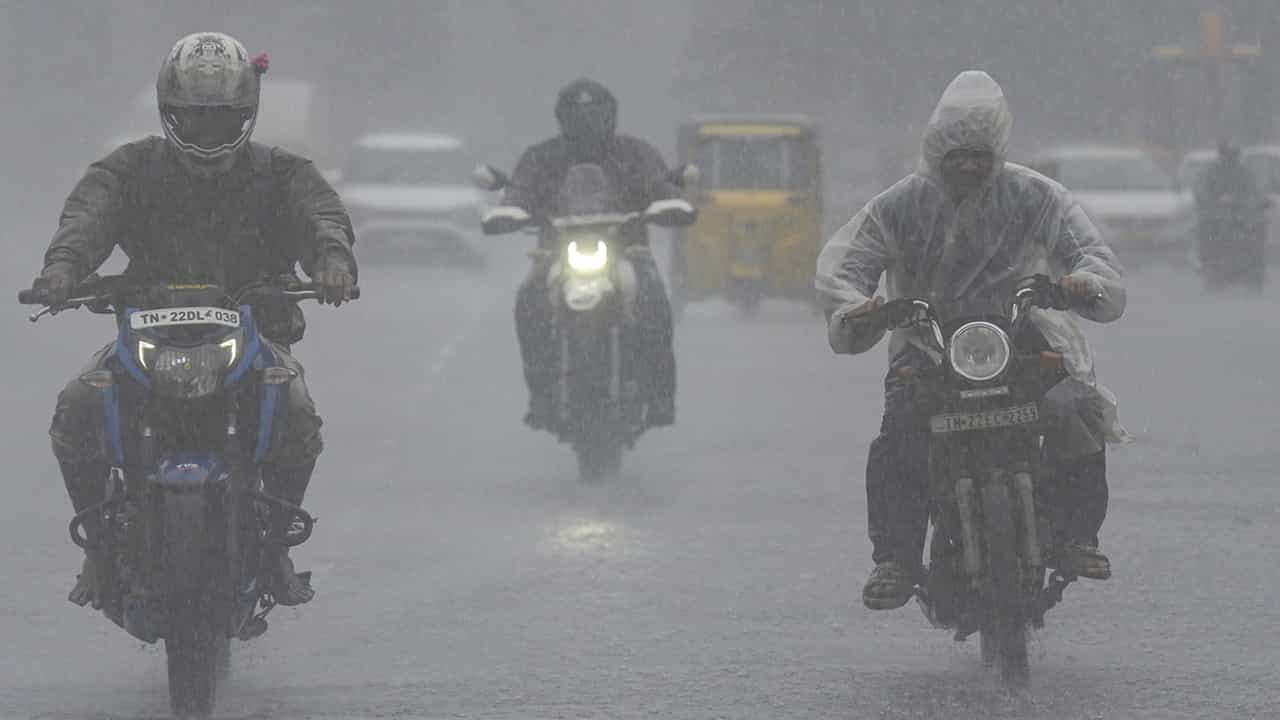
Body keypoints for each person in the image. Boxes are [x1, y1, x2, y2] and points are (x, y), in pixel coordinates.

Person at [31, 32, 356, 608]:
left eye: (222, 120)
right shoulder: (129, 169)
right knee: (76, 407)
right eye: (194, 119)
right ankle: (100, 550)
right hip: (144, 334)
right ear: (168, 113)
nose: (208, 133)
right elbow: (86, 217)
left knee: (298, 416)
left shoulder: (281, 172)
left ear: (248, 115)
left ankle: (276, 546)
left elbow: (321, 216)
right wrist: (63, 268)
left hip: (255, 337)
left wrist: (333, 261)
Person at [816, 71, 1128, 610]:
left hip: (1020, 336)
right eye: (956, 155)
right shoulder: (899, 205)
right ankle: (894, 557)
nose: (967, 165)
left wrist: (1080, 283)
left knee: (1073, 408)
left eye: (978, 154)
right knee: (900, 434)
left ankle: (1078, 536)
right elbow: (846, 268)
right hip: (928, 344)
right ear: (937, 150)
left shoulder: (1036, 196)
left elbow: (1091, 256)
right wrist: (860, 309)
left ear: (997, 152)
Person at [485, 79, 690, 431]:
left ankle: (659, 395)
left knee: (654, 302)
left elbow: (660, 183)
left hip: (628, 251)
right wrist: (509, 211)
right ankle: (543, 394)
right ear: (562, 117)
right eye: (577, 115)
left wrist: (671, 201)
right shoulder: (542, 157)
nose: (586, 124)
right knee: (530, 301)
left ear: (610, 115)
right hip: (555, 254)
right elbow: (519, 190)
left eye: (594, 114)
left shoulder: (635, 154)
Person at [1193, 138, 1269, 287]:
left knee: (1257, 234)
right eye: (1227, 154)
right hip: (1217, 220)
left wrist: (1254, 204)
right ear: (1221, 155)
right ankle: (1210, 266)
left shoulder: (1245, 173)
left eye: (1232, 154)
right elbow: (1202, 192)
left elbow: (1256, 193)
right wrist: (1210, 203)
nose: (1230, 158)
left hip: (1243, 220)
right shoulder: (1212, 173)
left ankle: (1253, 269)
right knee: (1206, 233)